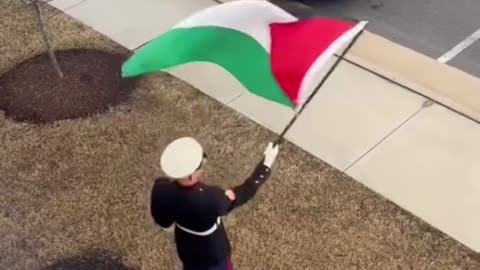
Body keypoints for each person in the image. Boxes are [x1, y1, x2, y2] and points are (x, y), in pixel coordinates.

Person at [150, 137, 280, 270]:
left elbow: (164, 223)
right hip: (213, 256)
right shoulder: (213, 197)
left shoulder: (160, 188)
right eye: (201, 164)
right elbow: (246, 191)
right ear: (192, 174)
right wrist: (266, 165)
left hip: (187, 250)